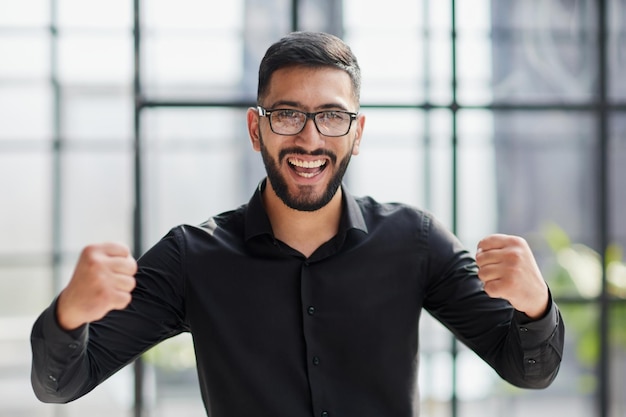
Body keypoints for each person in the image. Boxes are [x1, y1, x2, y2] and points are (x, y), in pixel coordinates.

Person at [31, 31, 564, 417]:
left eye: (331, 116)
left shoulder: (415, 241)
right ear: (255, 129)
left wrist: (535, 304)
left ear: (357, 133)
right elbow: (63, 384)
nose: (309, 140)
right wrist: (71, 314)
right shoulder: (191, 257)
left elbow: (527, 370)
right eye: (287, 115)